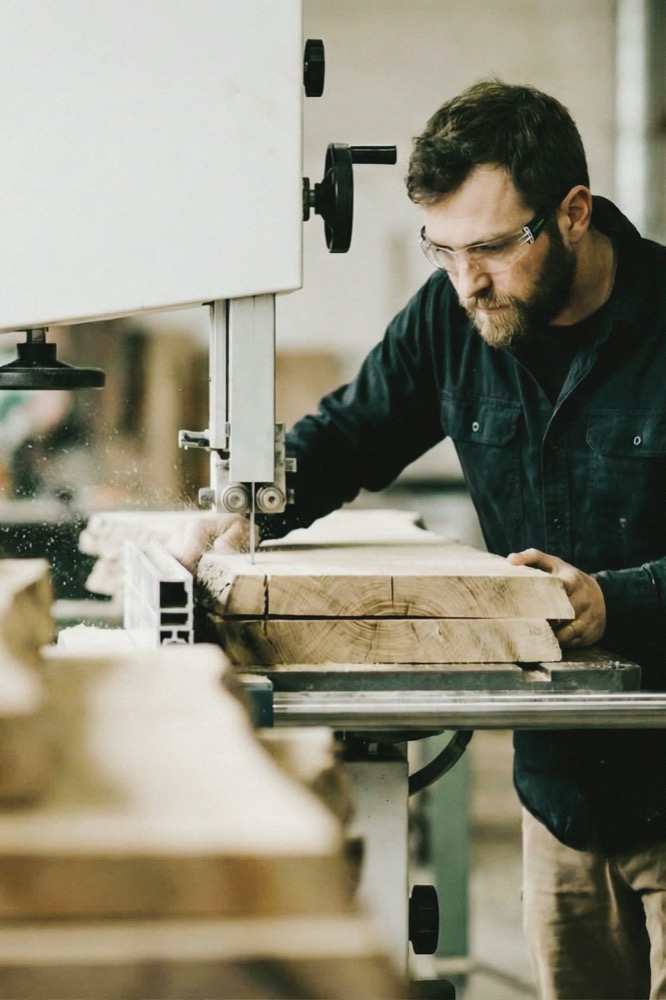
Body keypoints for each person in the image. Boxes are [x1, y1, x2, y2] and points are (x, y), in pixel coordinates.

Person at [173, 80, 666, 999]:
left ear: (572, 213)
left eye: (489, 248)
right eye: (444, 249)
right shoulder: (453, 317)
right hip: (562, 795)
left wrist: (617, 597)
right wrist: (246, 512)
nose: (466, 280)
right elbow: (349, 435)